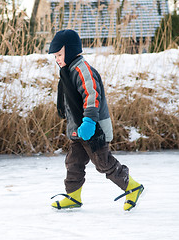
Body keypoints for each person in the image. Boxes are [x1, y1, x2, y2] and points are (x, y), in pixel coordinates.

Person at [49, 29, 144, 211]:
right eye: (55, 56)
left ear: (70, 50)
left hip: (94, 128)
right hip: (79, 129)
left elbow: (91, 95)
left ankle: (132, 187)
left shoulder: (82, 70)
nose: (57, 59)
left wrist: (90, 122)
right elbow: (68, 96)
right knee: (74, 162)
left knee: (103, 162)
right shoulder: (68, 70)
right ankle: (73, 196)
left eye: (59, 54)